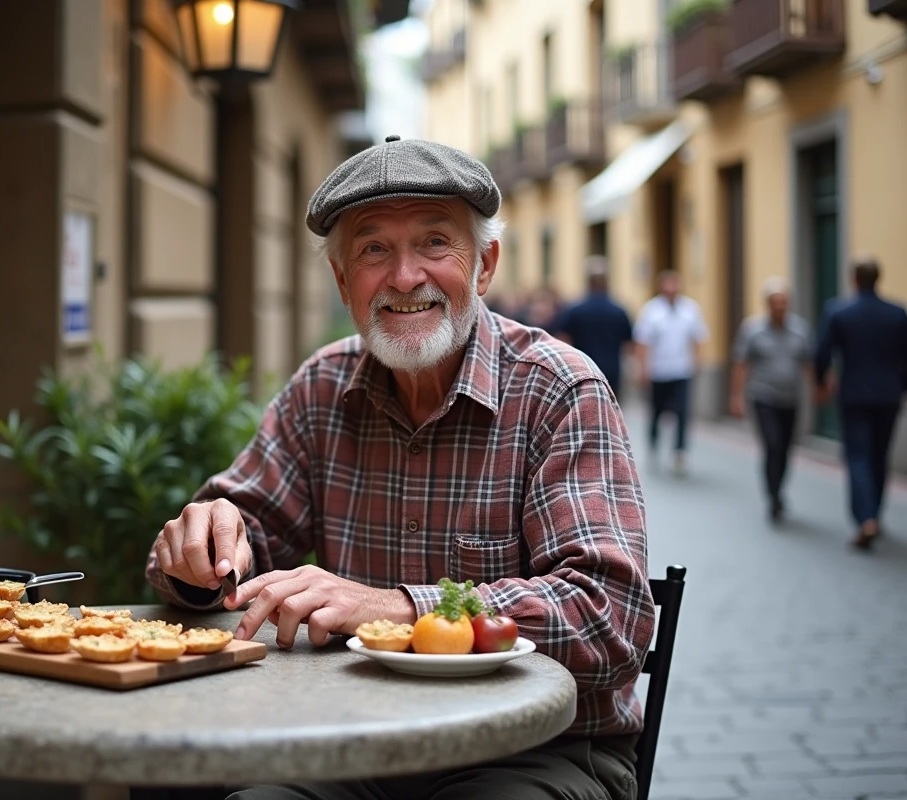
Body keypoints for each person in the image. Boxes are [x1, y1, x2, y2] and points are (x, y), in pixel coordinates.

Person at [146, 135, 654, 800]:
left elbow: (608, 617)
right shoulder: (321, 388)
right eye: (373, 249)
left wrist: (394, 609)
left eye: (435, 243)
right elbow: (234, 545)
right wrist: (201, 554)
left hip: (538, 750)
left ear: (484, 265)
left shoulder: (560, 388)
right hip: (353, 743)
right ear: (342, 281)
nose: (405, 276)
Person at [814, 255, 907, 550]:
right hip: (888, 396)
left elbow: (822, 353)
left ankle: (865, 517)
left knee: (857, 456)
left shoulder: (839, 311)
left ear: (853, 278)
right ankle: (875, 514)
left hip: (854, 394)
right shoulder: (897, 313)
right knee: (879, 456)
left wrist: (821, 383)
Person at [729, 277, 813, 522]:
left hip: (791, 398)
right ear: (767, 303)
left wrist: (817, 388)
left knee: (786, 448)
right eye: (775, 302)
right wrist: (736, 396)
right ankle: (773, 493)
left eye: (784, 302)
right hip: (763, 396)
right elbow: (741, 364)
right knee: (773, 444)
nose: (780, 306)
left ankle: (778, 488)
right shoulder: (752, 329)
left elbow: (807, 362)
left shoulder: (800, 329)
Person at [633, 270, 709, 475]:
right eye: (667, 285)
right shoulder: (651, 310)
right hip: (658, 371)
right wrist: (643, 369)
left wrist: (696, 362)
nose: (671, 289)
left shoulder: (691, 309)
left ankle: (679, 451)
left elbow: (697, 338)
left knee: (682, 412)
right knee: (656, 411)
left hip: (682, 370)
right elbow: (643, 342)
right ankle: (654, 443)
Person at [554, 256, 634, 401]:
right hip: (612, 372)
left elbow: (563, 342)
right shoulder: (619, 310)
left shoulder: (575, 310)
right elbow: (629, 344)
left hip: (582, 372)